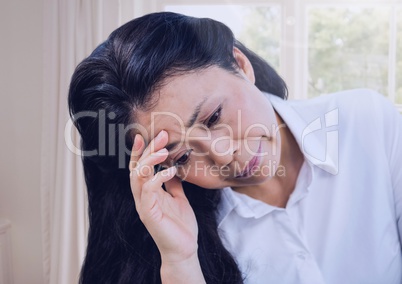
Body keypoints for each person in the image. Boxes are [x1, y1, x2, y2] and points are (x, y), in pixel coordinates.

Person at [68, 11, 402, 284]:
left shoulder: (367, 123)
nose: (223, 155)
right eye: (182, 156)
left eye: (214, 117)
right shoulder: (179, 232)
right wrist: (181, 262)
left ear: (240, 64)